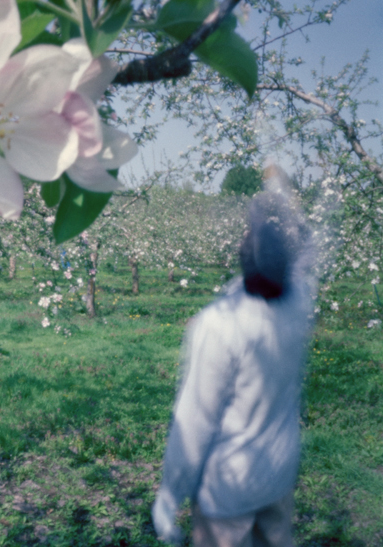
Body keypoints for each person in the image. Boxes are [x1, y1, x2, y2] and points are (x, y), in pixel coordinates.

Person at [153, 167, 316, 547]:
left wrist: (170, 492)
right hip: (277, 472)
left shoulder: (220, 325)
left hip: (230, 489)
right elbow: (307, 249)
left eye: (249, 236)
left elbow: (195, 419)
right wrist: (281, 191)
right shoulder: (298, 305)